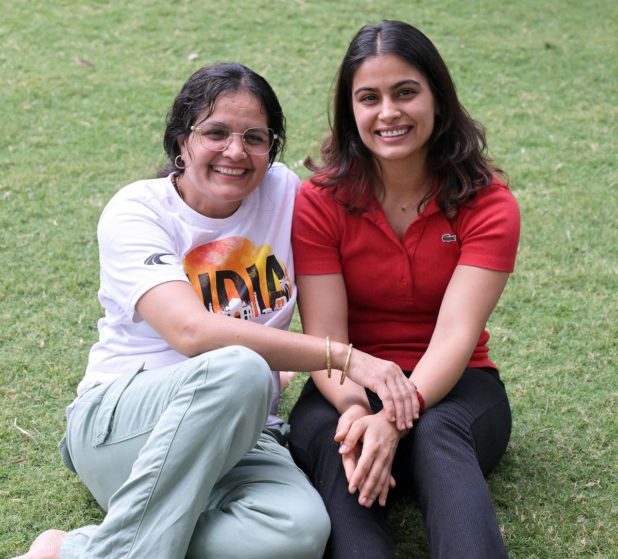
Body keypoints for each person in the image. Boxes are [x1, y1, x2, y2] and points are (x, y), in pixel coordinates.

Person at [14, 62, 418, 559]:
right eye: (216, 132)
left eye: (254, 137)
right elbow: (190, 330)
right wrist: (347, 358)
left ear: (271, 149)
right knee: (242, 367)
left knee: (299, 532)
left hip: (242, 433)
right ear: (181, 140)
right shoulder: (138, 210)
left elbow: (371, 183)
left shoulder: (287, 195)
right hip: (122, 428)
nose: (235, 150)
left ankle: (72, 551)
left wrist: (356, 407)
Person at [288, 20, 521, 559]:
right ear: (351, 113)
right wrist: (354, 411)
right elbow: (327, 340)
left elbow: (457, 335)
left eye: (406, 92)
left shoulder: (488, 204)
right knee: (337, 442)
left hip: (456, 386)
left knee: (437, 436)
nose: (388, 112)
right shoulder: (319, 201)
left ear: (438, 99)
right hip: (343, 382)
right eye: (369, 98)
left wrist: (397, 415)